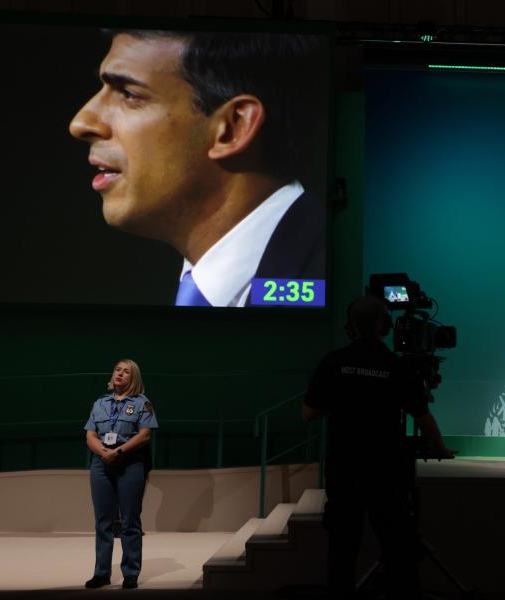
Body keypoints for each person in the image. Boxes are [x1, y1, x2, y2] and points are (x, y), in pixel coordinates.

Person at [68, 30, 326, 307]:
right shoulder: (160, 280)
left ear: (232, 127)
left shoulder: (326, 274)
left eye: (128, 94)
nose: (80, 123)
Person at [303, 296, 454, 599]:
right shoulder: (396, 367)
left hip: (344, 470)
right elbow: (424, 418)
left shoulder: (334, 361)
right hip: (386, 472)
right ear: (385, 326)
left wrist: (344, 400)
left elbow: (309, 412)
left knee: (342, 550)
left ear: (350, 326)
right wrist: (439, 448)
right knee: (398, 546)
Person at [84, 359, 159, 589]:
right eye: (118, 370)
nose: (120, 374)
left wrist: (119, 451)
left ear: (133, 378)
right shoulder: (100, 403)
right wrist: (104, 453)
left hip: (130, 463)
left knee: (130, 521)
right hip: (101, 464)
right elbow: (90, 435)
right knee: (103, 522)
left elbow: (145, 434)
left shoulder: (141, 403)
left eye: (126, 372)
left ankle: (130, 573)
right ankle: (101, 573)